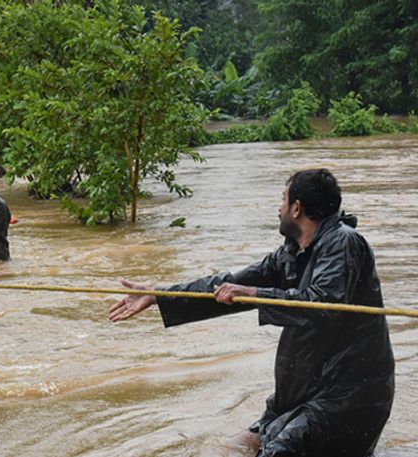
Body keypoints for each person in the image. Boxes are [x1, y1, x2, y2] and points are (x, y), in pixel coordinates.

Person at [109, 169, 395, 457]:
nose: (278, 207)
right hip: (301, 394)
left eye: (283, 199)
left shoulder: (343, 243)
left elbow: (322, 307)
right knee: (233, 447)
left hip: (347, 397)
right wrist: (160, 295)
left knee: (277, 451)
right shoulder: (292, 253)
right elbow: (228, 287)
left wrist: (254, 295)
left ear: (297, 208)